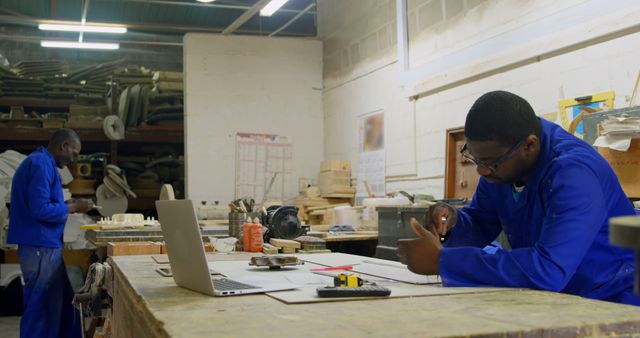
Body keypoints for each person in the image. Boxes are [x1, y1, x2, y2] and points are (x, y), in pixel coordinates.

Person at [397, 91, 640, 306]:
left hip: (611, 299)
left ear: (529, 145)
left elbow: (548, 269)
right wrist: (452, 223)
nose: (482, 171)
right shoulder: (502, 165)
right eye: (476, 159)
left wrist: (444, 261)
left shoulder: (574, 174)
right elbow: (482, 221)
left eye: (490, 162)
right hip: (561, 296)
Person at [8, 128, 94, 337]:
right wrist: (73, 207)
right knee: (40, 308)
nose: (73, 159)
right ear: (63, 146)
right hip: (39, 246)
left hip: (45, 245)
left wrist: (70, 204)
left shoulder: (42, 163)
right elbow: (40, 209)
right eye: (73, 153)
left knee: (61, 304)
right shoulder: (40, 164)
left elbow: (43, 203)